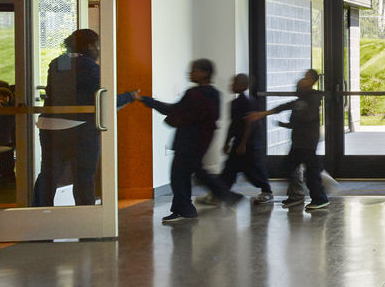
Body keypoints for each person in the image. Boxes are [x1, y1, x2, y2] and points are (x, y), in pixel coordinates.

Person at [139, 59, 238, 224]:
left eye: (194, 70)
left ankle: (191, 208)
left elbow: (175, 111)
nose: (190, 73)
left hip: (188, 140)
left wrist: (150, 102)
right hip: (202, 140)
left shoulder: (194, 94)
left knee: (179, 175)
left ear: (204, 73)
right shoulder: (214, 94)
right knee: (192, 173)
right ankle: (187, 208)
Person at [33, 28, 102, 206]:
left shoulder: (57, 63)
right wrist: (129, 96)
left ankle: (40, 215)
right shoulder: (91, 67)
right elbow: (100, 96)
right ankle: (86, 219)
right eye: (97, 45)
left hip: (49, 126)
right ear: (89, 46)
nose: (98, 49)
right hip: (80, 129)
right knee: (83, 176)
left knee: (48, 174)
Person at [252, 69, 328, 212]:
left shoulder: (313, 97)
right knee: (289, 167)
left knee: (311, 171)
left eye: (305, 78)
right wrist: (264, 114)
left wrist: (290, 123)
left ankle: (319, 198)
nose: (301, 82)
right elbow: (285, 107)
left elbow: (305, 116)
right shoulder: (301, 98)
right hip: (299, 141)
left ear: (312, 81)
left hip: (308, 141)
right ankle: (298, 196)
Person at [218, 73, 273, 203]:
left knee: (253, 168)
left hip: (251, 142)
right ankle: (220, 193)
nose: (232, 85)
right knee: (229, 168)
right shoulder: (234, 103)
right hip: (239, 141)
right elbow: (232, 125)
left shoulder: (249, 103)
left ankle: (267, 191)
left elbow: (250, 124)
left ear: (244, 86)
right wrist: (226, 142)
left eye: (235, 82)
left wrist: (243, 144)